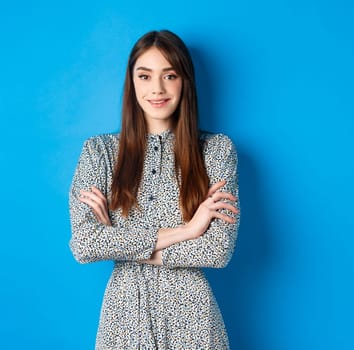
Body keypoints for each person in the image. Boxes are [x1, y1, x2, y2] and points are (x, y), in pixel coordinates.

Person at [69, 29, 240, 349]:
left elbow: (216, 252)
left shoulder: (216, 151)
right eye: (145, 76)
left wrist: (119, 241)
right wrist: (188, 230)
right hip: (124, 320)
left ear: (184, 81)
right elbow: (85, 245)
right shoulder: (99, 152)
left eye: (170, 75)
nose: (157, 89)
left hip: (194, 321)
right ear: (131, 82)